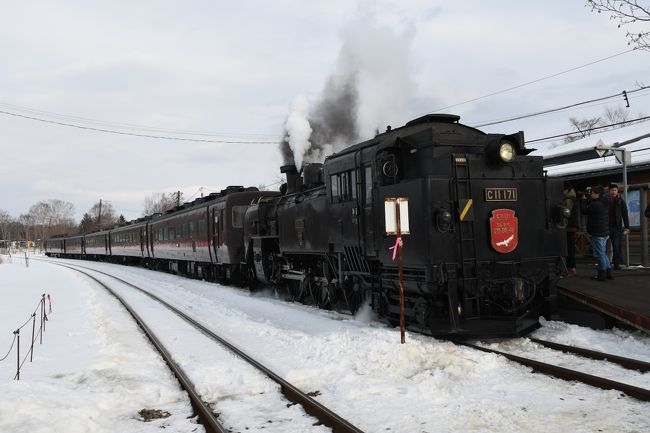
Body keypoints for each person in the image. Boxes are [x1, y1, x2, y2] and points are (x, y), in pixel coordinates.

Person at [581, 185, 612, 281]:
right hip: (604, 232)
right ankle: (608, 273)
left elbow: (584, 211)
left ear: (598, 194)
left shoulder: (596, 204)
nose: (591, 195)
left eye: (593, 193)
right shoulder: (604, 202)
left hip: (598, 233)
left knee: (600, 254)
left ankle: (602, 274)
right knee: (603, 253)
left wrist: (583, 200)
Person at [608, 183, 630, 270]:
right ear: (609, 191)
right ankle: (607, 264)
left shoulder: (621, 201)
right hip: (606, 226)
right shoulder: (606, 200)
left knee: (616, 247)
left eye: (615, 190)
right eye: (612, 190)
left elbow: (625, 214)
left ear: (617, 191)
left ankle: (616, 264)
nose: (613, 192)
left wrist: (627, 227)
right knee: (607, 247)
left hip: (616, 227)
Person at [563, 182, 578, 276]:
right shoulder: (572, 197)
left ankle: (571, 269)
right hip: (572, 227)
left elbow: (566, 213)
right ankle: (571, 268)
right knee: (570, 248)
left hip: (569, 227)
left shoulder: (569, 200)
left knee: (569, 249)